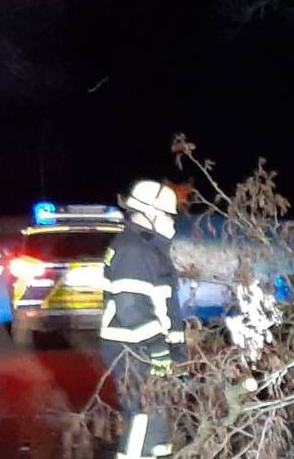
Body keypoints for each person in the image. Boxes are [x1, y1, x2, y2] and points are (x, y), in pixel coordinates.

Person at [100, 180, 185, 458]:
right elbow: (131, 305)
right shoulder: (134, 250)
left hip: (145, 351)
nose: (172, 222)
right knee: (145, 419)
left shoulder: (146, 248)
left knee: (157, 422)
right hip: (136, 352)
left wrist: (173, 350)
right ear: (153, 214)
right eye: (169, 216)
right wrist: (158, 347)